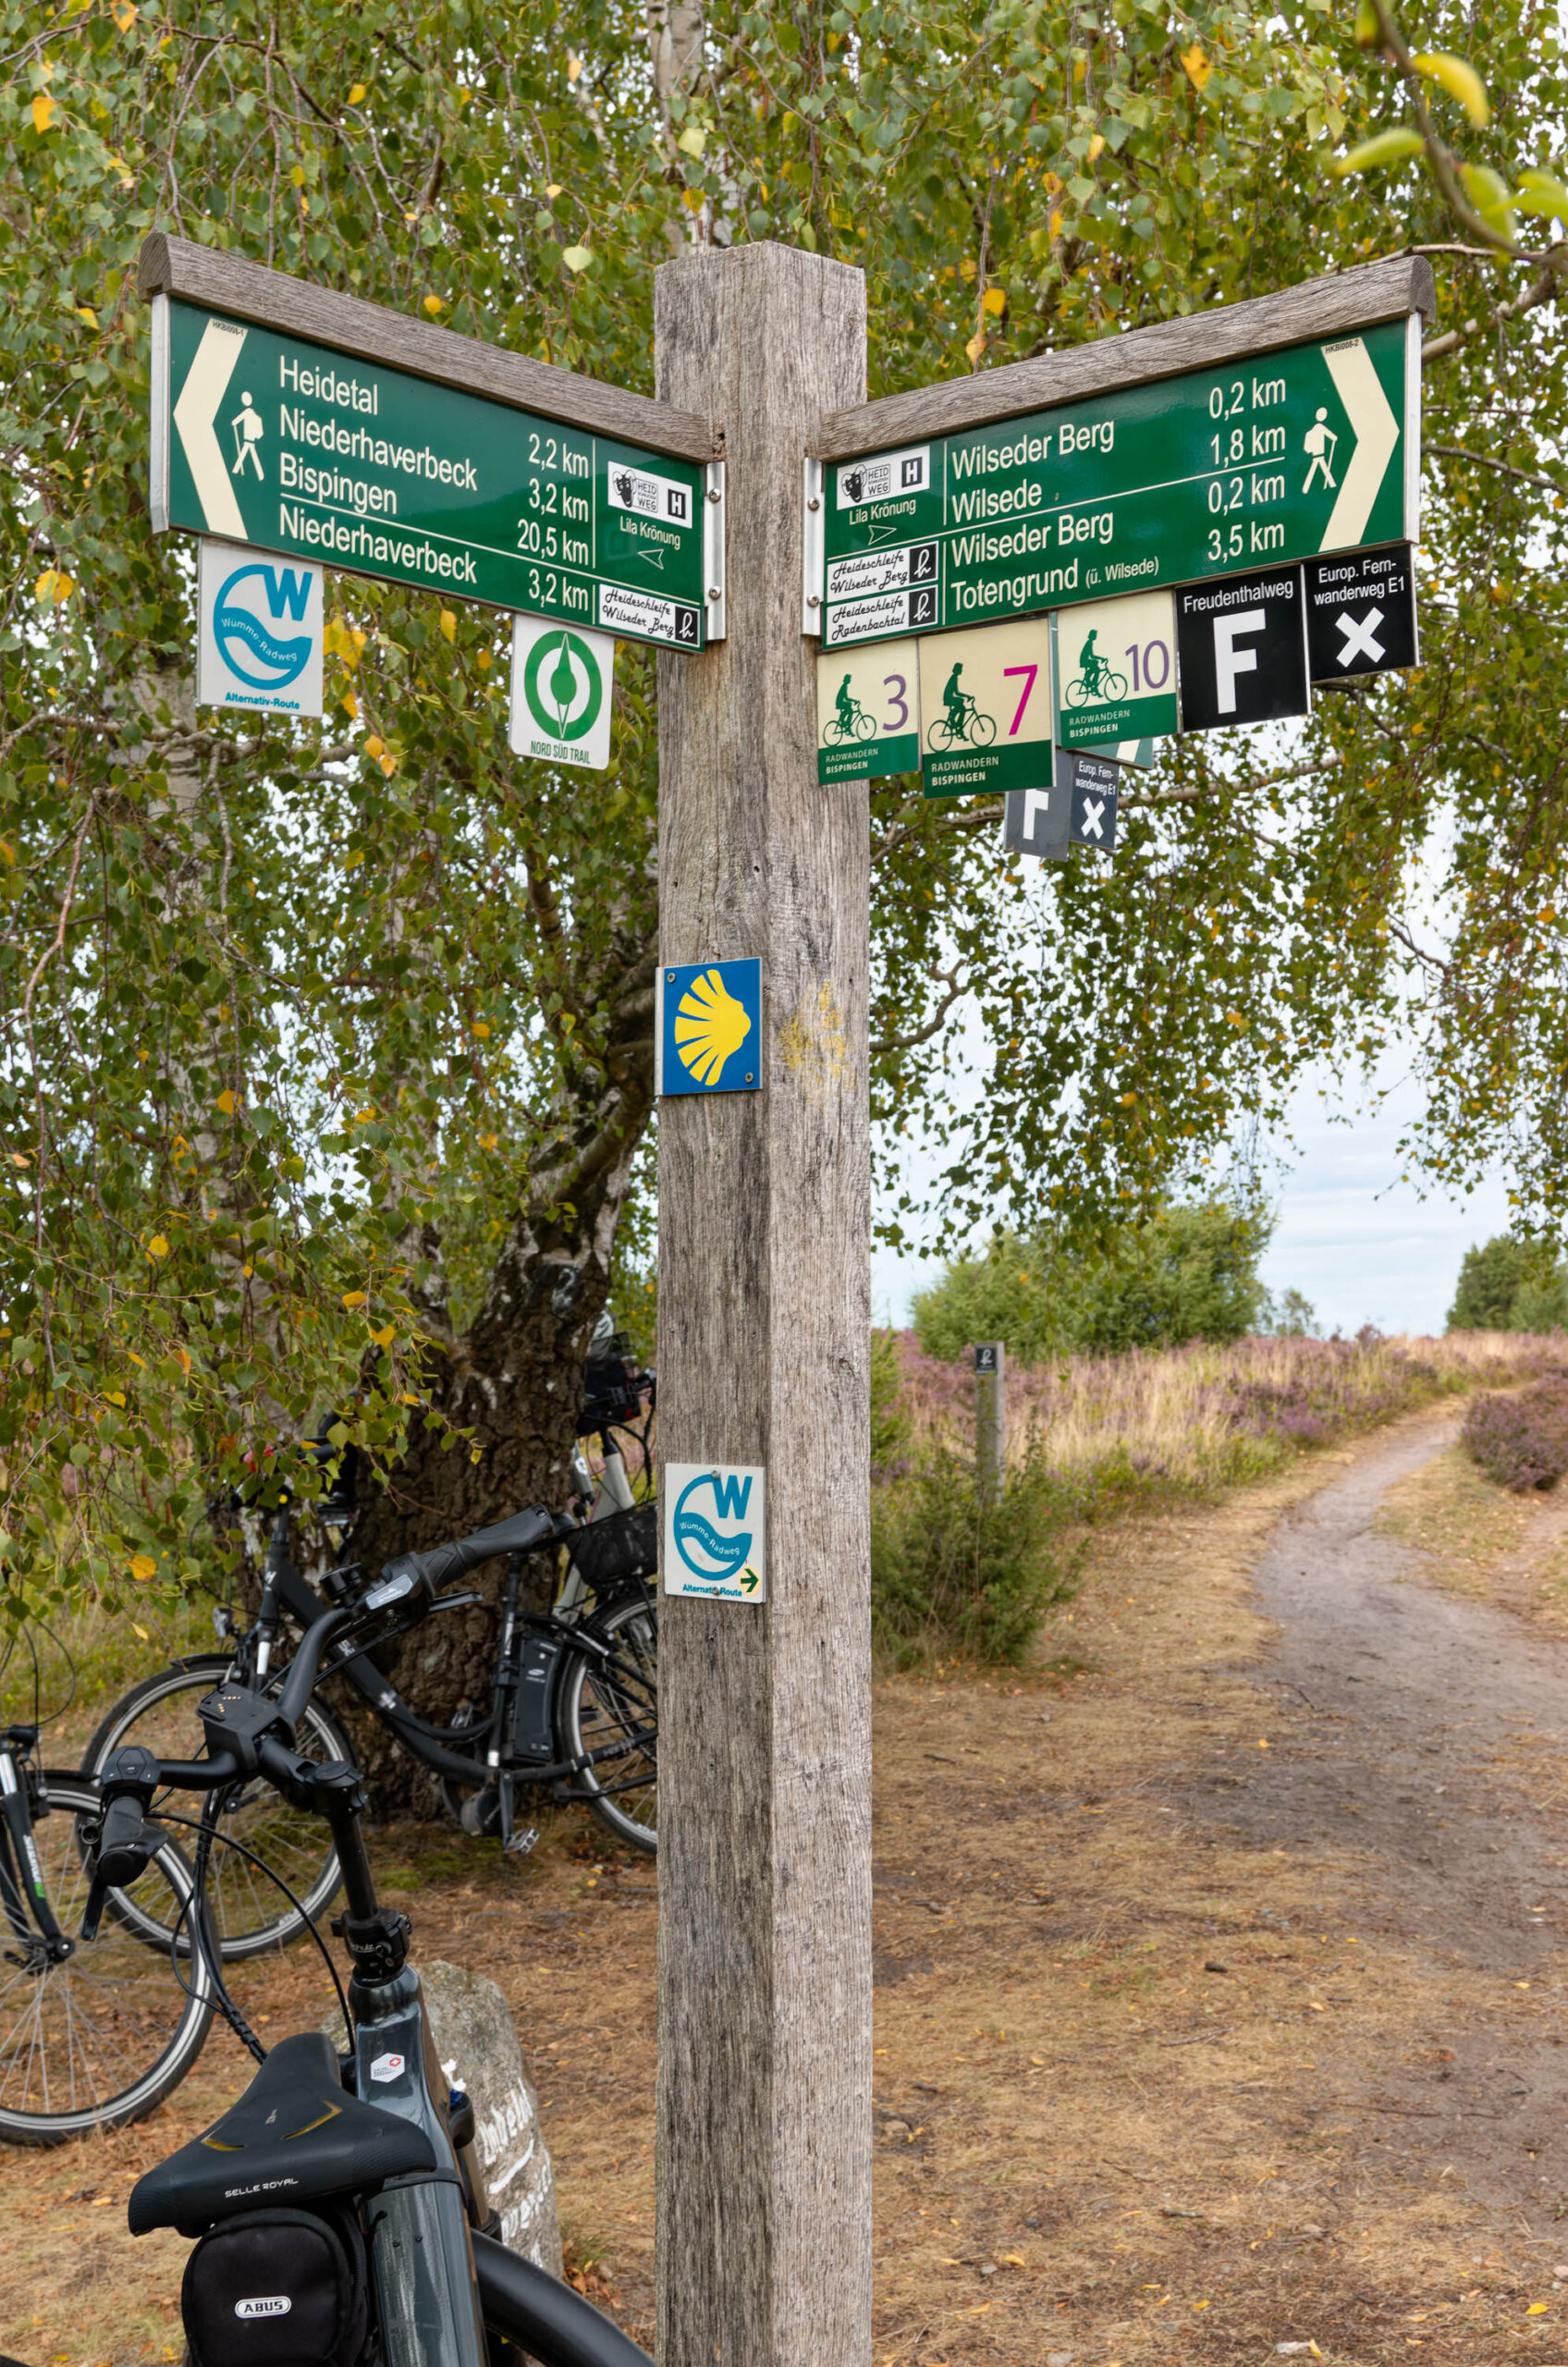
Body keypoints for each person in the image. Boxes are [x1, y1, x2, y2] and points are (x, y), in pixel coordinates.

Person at [1302, 407, 1338, 493]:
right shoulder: (1320, 427)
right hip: (1320, 454)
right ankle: (1332, 484)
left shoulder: (1313, 429)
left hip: (1315, 455)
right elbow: (1330, 435)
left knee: (1316, 470)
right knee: (1324, 470)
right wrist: (1334, 438)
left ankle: (1305, 488)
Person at [230, 391, 264, 480]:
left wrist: (234, 423)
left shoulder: (248, 412)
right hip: (252, 440)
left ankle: (235, 470)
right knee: (251, 455)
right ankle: (260, 475)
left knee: (244, 454)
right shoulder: (256, 416)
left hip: (247, 439)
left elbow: (238, 419)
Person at [943, 657, 969, 733]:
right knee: (961, 701)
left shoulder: (954, 677)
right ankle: (952, 717)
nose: (961, 670)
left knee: (963, 708)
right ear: (957, 670)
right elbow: (957, 693)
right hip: (948, 698)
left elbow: (956, 692)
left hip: (949, 697)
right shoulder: (954, 678)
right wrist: (967, 696)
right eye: (960, 669)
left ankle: (959, 728)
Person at [1078, 626, 1104, 694]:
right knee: (1097, 667)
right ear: (1092, 635)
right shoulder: (1089, 643)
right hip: (1084, 660)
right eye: (1095, 635)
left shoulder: (1089, 642)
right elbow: (1092, 656)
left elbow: (1091, 655)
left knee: (1096, 666)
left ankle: (1090, 681)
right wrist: (1101, 658)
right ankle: (1093, 685)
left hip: (1084, 660)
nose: (1096, 636)